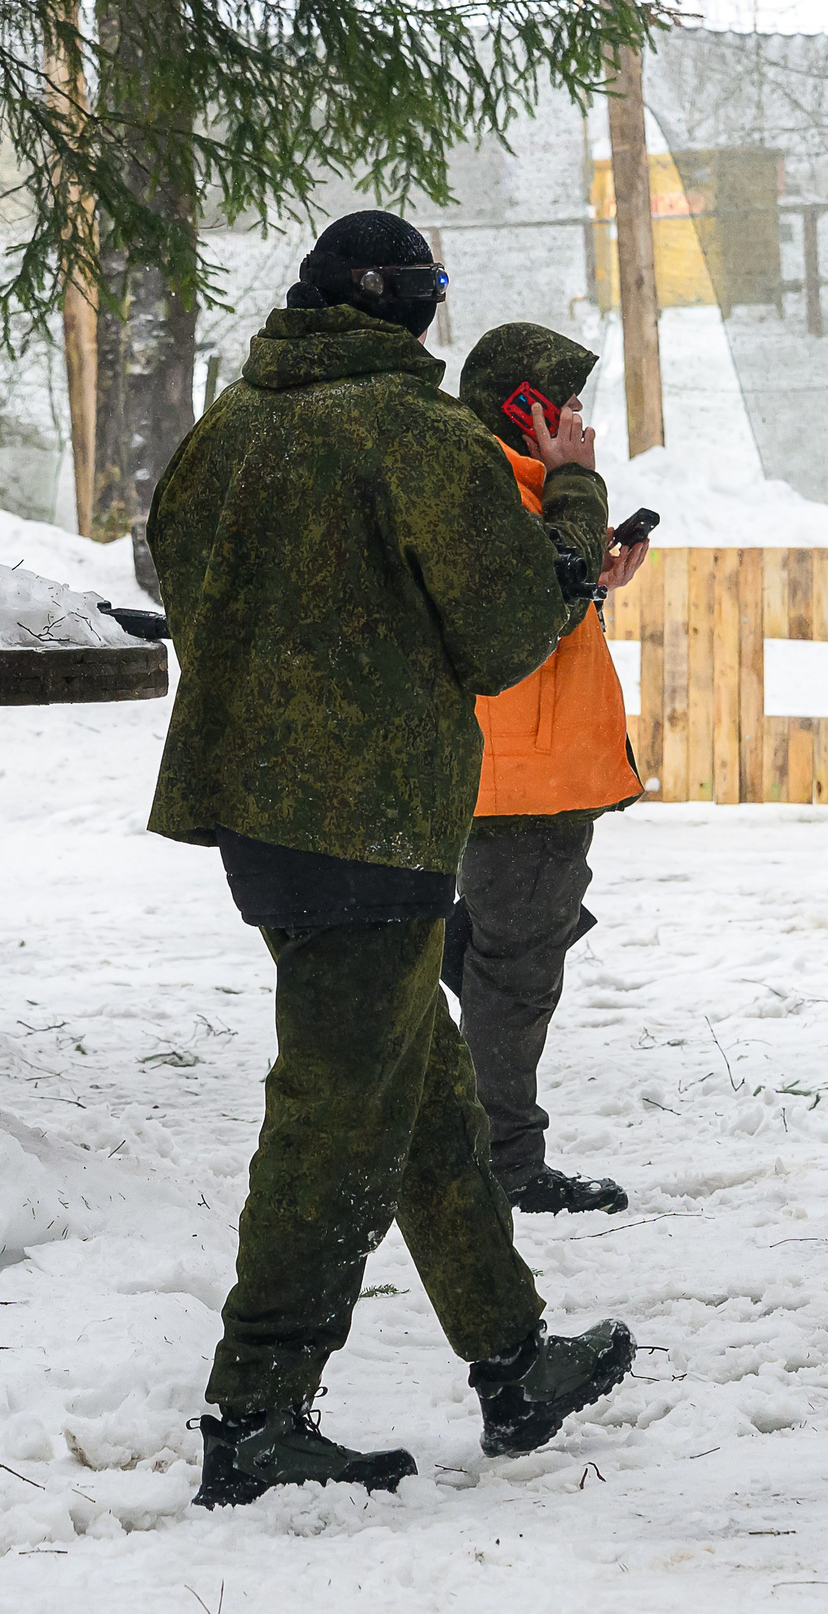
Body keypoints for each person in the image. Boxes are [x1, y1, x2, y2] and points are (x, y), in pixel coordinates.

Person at [147, 213, 637, 1507]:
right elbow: (508, 634)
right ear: (417, 311)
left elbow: (181, 580)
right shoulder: (418, 438)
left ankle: (514, 1360)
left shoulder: (225, 432)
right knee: (331, 1122)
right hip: (370, 820)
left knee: (423, 1100)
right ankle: (254, 1414)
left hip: (256, 815)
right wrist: (574, 499)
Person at [443, 325, 650, 1216]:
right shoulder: (492, 482)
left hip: (534, 772)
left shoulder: (520, 487)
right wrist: (575, 481)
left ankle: (465, 972)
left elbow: (544, 599)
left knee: (521, 942)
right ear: (519, 406)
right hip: (521, 780)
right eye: (560, 402)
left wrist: (595, 577)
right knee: (520, 966)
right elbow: (517, 613)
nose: (576, 419)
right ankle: (509, 1164)